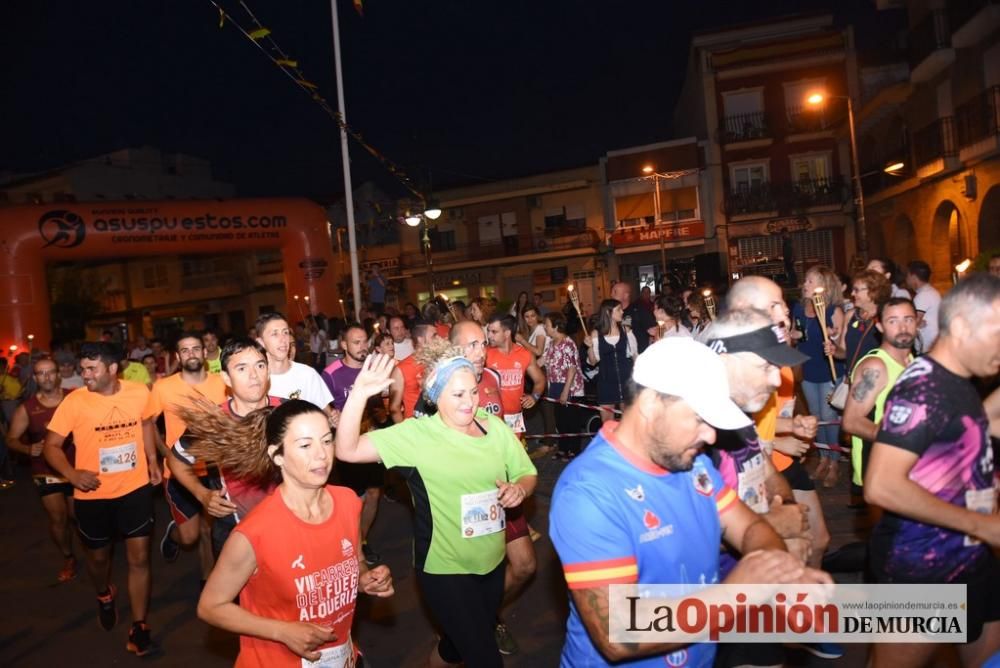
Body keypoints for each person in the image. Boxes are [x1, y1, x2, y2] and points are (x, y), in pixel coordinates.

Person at [549, 337, 830, 667]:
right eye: (699, 418)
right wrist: (738, 592)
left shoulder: (693, 465)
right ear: (652, 404)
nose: (711, 436)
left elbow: (751, 527)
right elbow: (618, 630)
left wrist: (780, 571)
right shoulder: (589, 492)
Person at [336, 351, 537, 668]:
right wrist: (360, 393)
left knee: (457, 647)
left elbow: (527, 473)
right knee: (485, 657)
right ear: (435, 394)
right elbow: (346, 450)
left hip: (492, 563)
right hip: (445, 569)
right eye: (457, 394)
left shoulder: (494, 429)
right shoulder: (418, 437)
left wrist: (519, 490)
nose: (469, 402)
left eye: (473, 391)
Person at [193, 400, 394, 666]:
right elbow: (210, 606)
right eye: (305, 445)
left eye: (326, 441)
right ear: (277, 455)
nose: (321, 455)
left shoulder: (347, 502)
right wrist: (283, 631)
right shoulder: (254, 533)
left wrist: (367, 579)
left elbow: (355, 561)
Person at [865, 273, 1000, 668]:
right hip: (921, 568)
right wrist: (985, 526)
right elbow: (881, 486)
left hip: (972, 559)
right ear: (959, 327)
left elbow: (977, 428)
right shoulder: (923, 388)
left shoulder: (959, 381)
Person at [43, 341, 162, 657]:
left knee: (139, 558)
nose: (85, 375)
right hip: (92, 494)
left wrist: (152, 459)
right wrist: (72, 475)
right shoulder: (74, 403)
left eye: (91, 368)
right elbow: (51, 446)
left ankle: (139, 626)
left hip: (135, 489)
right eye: (82, 369)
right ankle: (104, 593)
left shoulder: (138, 391)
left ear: (112, 369)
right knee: (98, 559)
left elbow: (147, 422)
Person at [725, 276, 831, 570]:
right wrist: (774, 441)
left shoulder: (778, 349)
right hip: (753, 467)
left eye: (785, 305)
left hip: (776, 461)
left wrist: (791, 426)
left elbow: (769, 415)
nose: (786, 312)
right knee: (781, 552)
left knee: (816, 540)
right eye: (775, 305)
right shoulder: (735, 361)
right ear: (745, 308)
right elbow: (735, 432)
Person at [450, 321, 536, 655]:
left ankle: (486, 615)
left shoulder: (493, 378)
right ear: (454, 348)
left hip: (501, 489)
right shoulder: (439, 389)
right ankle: (475, 624)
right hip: (464, 498)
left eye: (483, 344)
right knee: (474, 576)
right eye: (471, 345)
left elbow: (501, 427)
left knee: (526, 565)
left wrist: (516, 474)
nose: (480, 351)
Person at [175, 337, 282, 556]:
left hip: (287, 524)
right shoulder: (214, 422)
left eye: (260, 366)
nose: (254, 376)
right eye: (242, 368)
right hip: (234, 529)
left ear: (268, 371)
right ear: (226, 378)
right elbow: (176, 459)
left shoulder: (289, 411)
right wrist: (202, 494)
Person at [145, 332, 228, 573]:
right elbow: (148, 422)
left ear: (204, 353)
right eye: (185, 350)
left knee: (210, 530)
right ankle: (174, 534)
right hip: (180, 472)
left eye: (195, 349)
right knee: (190, 537)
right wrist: (162, 454)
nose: (191, 353)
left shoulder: (222, 383)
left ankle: (208, 582)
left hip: (215, 467)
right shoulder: (164, 387)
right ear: (178, 357)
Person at [6, 357, 77, 582]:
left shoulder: (73, 398)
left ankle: (95, 549)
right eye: (40, 373)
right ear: (35, 378)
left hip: (76, 467)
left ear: (58, 374)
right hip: (45, 470)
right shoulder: (27, 408)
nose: (46, 377)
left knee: (78, 516)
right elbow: (11, 439)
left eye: (50, 372)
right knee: (58, 518)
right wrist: (27, 449)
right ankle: (68, 557)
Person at [842, 297, 916, 505]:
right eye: (893, 321)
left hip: (905, 467)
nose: (902, 327)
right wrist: (899, 439)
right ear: (880, 326)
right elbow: (851, 421)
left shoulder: (912, 361)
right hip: (879, 468)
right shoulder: (875, 366)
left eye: (908, 319)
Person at [323, 324, 385, 565]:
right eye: (356, 342)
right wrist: (330, 415)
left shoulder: (372, 369)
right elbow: (320, 403)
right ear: (344, 345)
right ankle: (351, 546)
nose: (362, 347)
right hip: (348, 445)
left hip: (372, 439)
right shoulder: (331, 373)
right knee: (353, 499)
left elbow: (381, 405)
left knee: (374, 493)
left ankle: (362, 541)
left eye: (364, 342)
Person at [791, 264, 845, 487]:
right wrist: (790, 334)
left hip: (829, 370)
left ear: (823, 286)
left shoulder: (833, 311)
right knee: (816, 417)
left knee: (829, 418)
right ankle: (823, 458)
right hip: (809, 369)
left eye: (810, 281)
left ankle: (834, 462)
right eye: (806, 281)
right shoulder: (798, 308)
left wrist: (832, 336)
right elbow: (797, 335)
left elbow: (841, 344)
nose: (805, 285)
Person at [255, 312, 334, 412]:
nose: (283, 339)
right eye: (275, 334)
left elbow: (327, 413)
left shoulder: (307, 374)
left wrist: (334, 418)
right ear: (260, 342)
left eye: (285, 332)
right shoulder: (254, 379)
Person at [486, 314, 547, 440]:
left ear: (507, 333)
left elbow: (540, 380)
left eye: (494, 332)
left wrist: (534, 396)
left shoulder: (525, 354)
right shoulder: (485, 354)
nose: (489, 335)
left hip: (515, 416)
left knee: (514, 454)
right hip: (491, 417)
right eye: (488, 331)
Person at [541, 312, 586, 461]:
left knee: (571, 419)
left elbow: (572, 368)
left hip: (569, 386)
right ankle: (563, 448)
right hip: (554, 384)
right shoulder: (550, 343)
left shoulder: (568, 343)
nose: (545, 327)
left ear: (555, 326)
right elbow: (542, 360)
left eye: (547, 325)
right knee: (559, 419)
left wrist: (566, 391)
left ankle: (574, 450)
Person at [585, 299, 637, 423]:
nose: (622, 311)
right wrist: (590, 347)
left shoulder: (626, 330)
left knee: (629, 422)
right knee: (608, 423)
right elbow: (592, 362)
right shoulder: (596, 334)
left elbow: (634, 355)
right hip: (606, 383)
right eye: (619, 309)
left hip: (626, 381)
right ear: (608, 313)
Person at [834, 269, 891, 373]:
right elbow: (844, 352)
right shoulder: (850, 315)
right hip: (852, 379)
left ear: (873, 291)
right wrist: (834, 350)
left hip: (877, 380)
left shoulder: (886, 318)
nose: (852, 293)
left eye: (856, 290)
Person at [388, 321, 439, 422]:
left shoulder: (439, 362)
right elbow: (394, 408)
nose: (438, 339)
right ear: (421, 340)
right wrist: (405, 434)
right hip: (415, 426)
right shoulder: (401, 369)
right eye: (434, 336)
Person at [906, 259, 942, 354]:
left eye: (907, 275)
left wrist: (915, 322)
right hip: (933, 348)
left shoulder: (923, 295)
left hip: (927, 349)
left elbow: (915, 321)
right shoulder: (932, 292)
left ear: (913, 277)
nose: (906, 279)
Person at [613, 280, 655, 353]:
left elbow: (653, 330)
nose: (611, 295)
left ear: (626, 295)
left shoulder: (639, 310)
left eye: (615, 292)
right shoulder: (610, 313)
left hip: (638, 355)